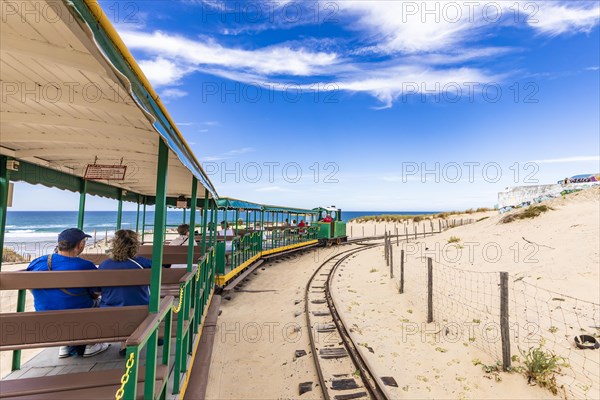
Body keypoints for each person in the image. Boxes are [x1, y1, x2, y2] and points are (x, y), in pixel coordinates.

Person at [26, 228, 109, 358]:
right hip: (78, 316)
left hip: (45, 318)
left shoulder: (38, 262)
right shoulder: (85, 266)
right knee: (103, 303)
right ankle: (92, 344)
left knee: (59, 302)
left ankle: (64, 345)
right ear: (80, 245)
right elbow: (97, 292)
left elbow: (29, 285)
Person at [99, 230, 161, 355]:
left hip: (110, 311)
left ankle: (124, 344)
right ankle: (151, 333)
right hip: (142, 309)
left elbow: (98, 290)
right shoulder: (143, 263)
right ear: (135, 245)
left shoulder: (104, 265)